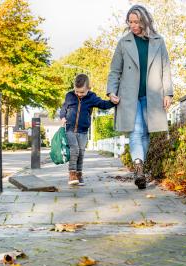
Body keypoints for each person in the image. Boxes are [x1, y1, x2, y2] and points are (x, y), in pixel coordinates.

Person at [107, 4, 173, 189]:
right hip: (129, 95)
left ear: (145, 20)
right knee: (135, 132)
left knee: (146, 133)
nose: (133, 25)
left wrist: (168, 92)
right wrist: (112, 91)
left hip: (152, 94)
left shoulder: (158, 41)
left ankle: (140, 166)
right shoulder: (124, 43)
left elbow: (165, 68)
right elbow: (115, 70)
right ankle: (138, 166)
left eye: (137, 21)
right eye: (130, 22)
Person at [60, 74, 116, 186]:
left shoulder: (92, 97)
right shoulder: (69, 96)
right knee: (74, 150)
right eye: (77, 91)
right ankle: (72, 174)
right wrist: (62, 117)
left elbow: (103, 104)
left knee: (81, 152)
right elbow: (64, 107)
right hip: (70, 129)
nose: (79, 94)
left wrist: (113, 102)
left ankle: (79, 174)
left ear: (88, 89)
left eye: (82, 92)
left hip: (83, 131)